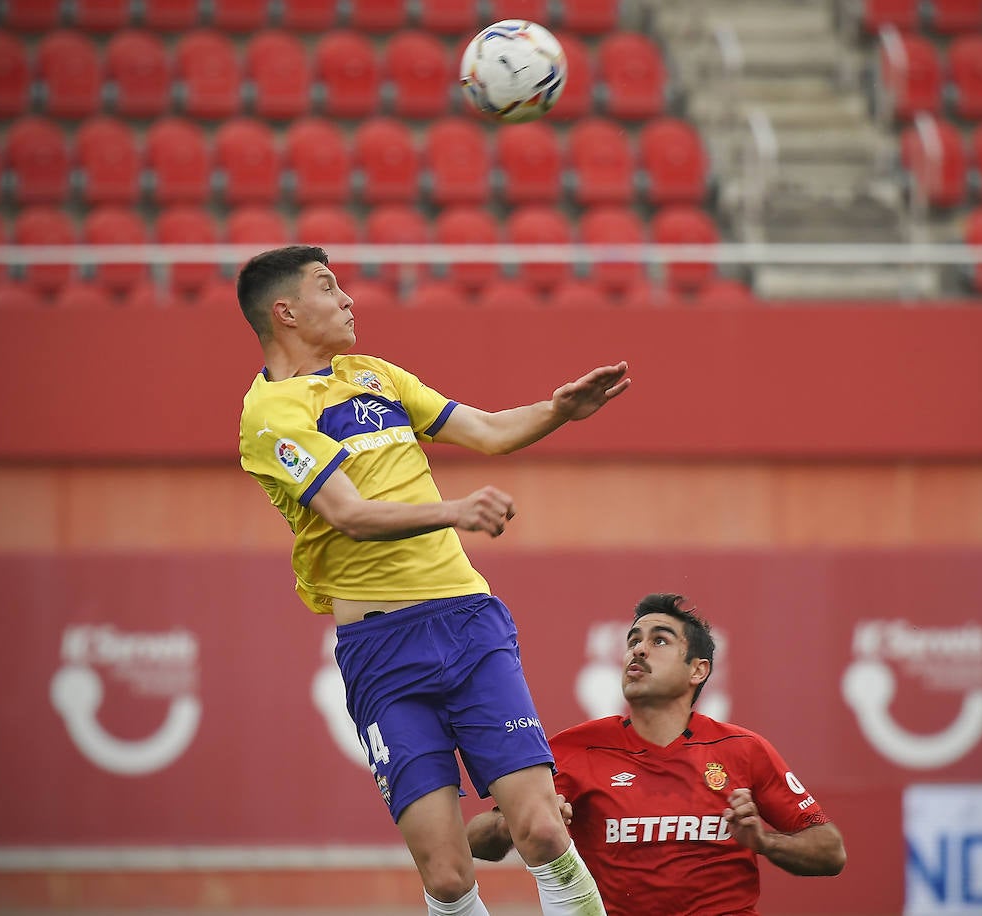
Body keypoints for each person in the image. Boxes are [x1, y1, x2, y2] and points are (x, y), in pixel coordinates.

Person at [235, 245, 629, 916]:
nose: (349, 299)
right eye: (329, 288)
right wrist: (455, 510)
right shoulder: (271, 417)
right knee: (447, 877)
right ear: (286, 312)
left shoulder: (377, 377)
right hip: (381, 651)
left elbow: (489, 430)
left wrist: (558, 409)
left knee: (539, 828)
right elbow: (350, 515)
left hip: (467, 621)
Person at [467, 593, 846, 916]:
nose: (638, 649)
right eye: (634, 640)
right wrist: (518, 821)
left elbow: (830, 851)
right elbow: (475, 839)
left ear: (698, 670)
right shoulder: (574, 748)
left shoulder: (744, 750)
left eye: (660, 640)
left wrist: (762, 842)